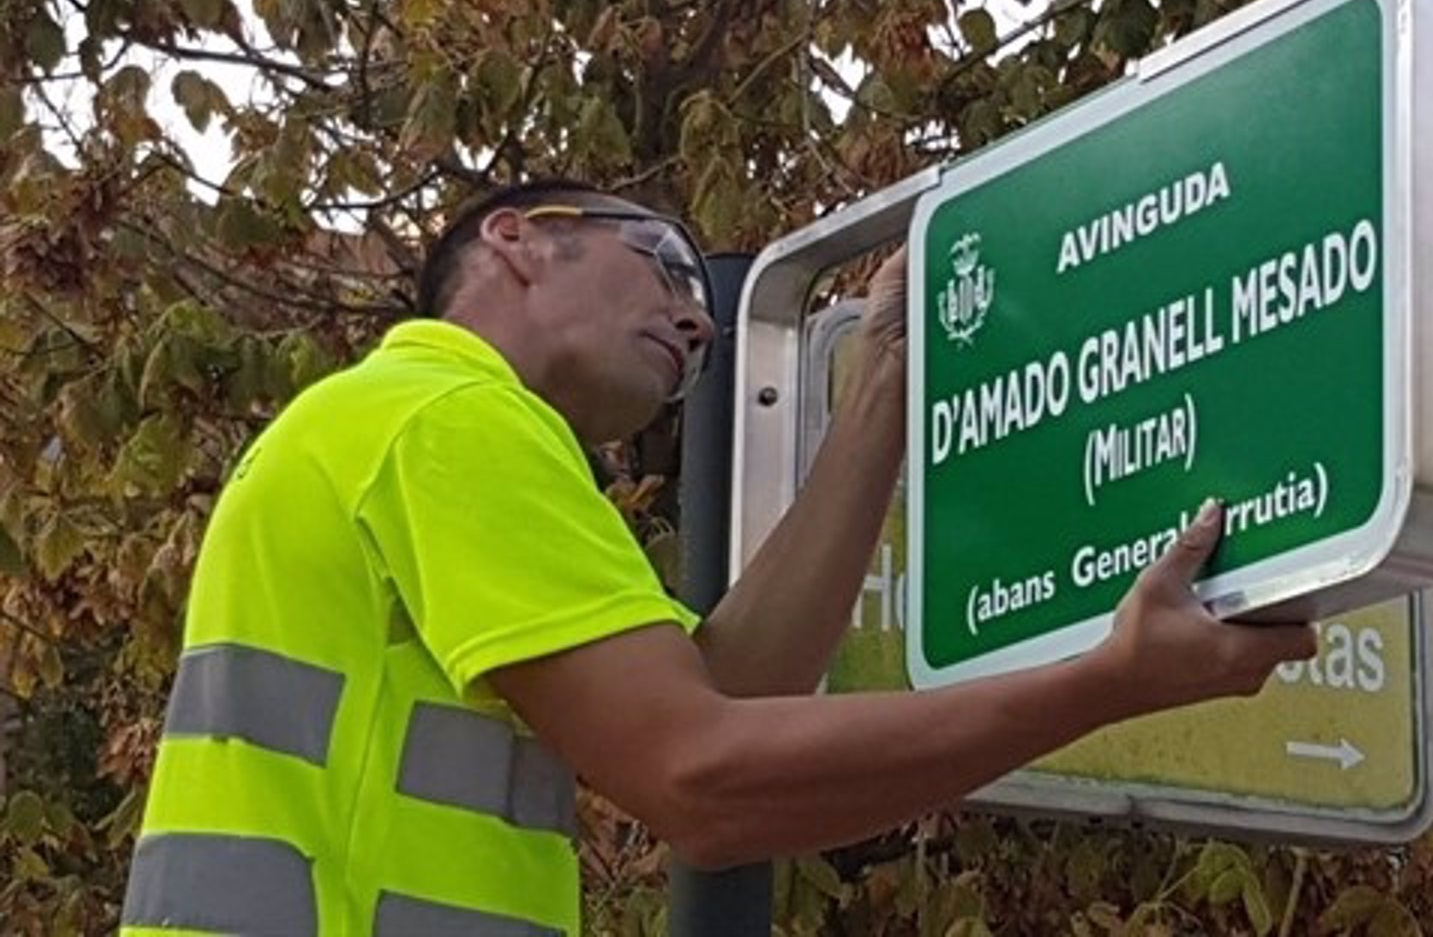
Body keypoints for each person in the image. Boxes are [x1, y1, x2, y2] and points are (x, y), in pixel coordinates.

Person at [120, 178, 1317, 936]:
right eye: (664, 265)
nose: (698, 318)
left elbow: (722, 713)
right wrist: (1108, 682)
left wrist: (883, 387)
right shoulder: (447, 417)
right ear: (523, 241)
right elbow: (701, 774)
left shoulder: (393, 428)